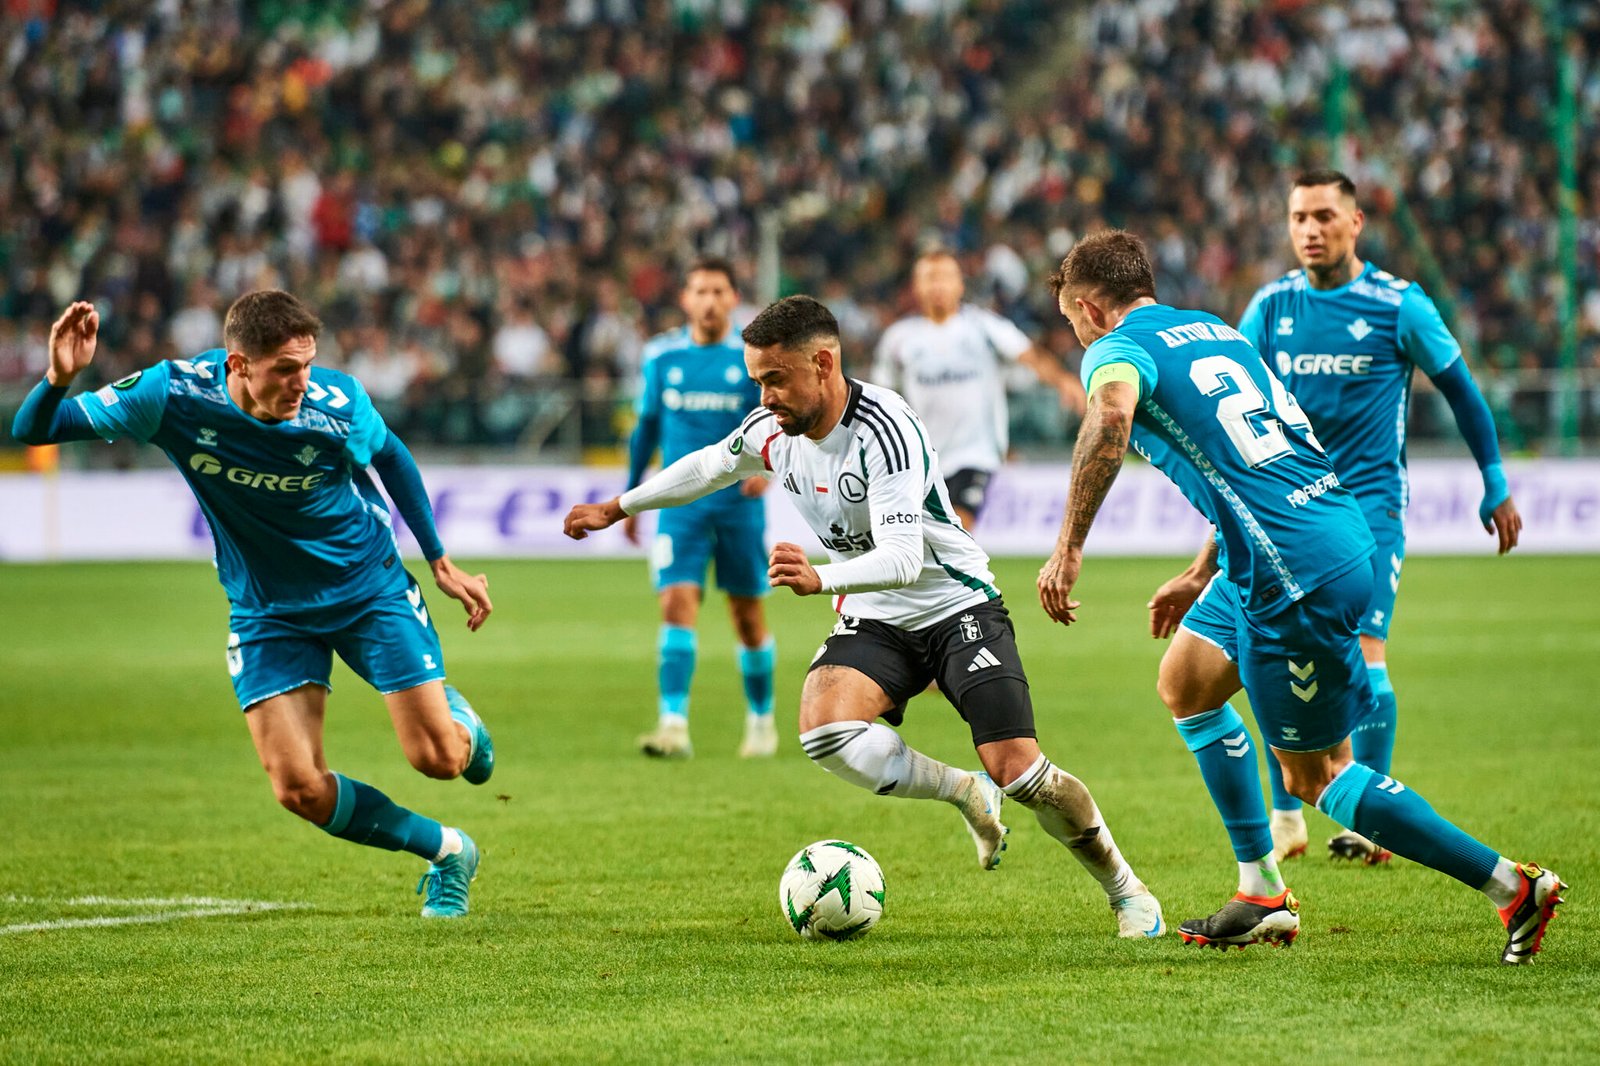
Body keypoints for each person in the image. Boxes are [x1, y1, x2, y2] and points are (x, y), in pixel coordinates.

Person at [1036, 230, 1564, 962]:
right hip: (1313, 538)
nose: (1075, 333)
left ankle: (1511, 887)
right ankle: (1260, 891)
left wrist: (1067, 547)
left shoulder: (1115, 349)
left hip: (1293, 575)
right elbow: (1258, 461)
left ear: (1090, 309)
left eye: (1070, 320)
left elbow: (1111, 418)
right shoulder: (1211, 329)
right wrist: (1202, 570)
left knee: (1314, 776)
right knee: (1185, 682)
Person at [566, 295, 1165, 939]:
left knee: (1019, 771)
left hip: (955, 604)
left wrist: (820, 577)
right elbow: (713, 463)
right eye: (758, 381)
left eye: (775, 379)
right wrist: (620, 507)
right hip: (877, 614)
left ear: (823, 363)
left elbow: (906, 559)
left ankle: (1127, 890)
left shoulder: (885, 427)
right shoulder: (775, 432)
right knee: (823, 730)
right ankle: (962, 791)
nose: (764, 397)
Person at [12, 293, 496, 919]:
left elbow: (392, 456)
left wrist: (438, 560)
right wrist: (59, 377)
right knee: (298, 788)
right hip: (267, 610)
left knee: (438, 759)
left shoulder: (337, 403)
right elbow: (35, 430)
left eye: (308, 364)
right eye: (285, 370)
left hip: (367, 589)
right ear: (238, 364)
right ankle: (449, 852)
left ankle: (464, 726)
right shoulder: (173, 395)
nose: (303, 382)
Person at [1215, 169, 1523, 864]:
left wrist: (1495, 482)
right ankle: (1288, 815)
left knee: (1366, 651)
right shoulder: (1269, 307)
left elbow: (1463, 394)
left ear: (1356, 223)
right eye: (1298, 218)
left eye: (1325, 216)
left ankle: (1363, 823)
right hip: (1288, 511)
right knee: (1273, 648)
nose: (1310, 230)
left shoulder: (1399, 306)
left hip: (1370, 508)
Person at [623, 259, 776, 759]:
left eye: (718, 291)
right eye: (699, 291)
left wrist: (769, 472)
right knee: (675, 603)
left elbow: (779, 421)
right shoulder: (662, 356)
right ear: (685, 299)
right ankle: (673, 725)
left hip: (738, 504)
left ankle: (761, 721)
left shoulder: (750, 358)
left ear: (734, 298)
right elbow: (646, 427)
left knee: (746, 614)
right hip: (680, 507)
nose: (708, 300)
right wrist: (630, 495)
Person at [871, 250, 1085, 529]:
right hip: (922, 457)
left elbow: (1029, 355)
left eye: (945, 277)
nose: (937, 285)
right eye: (929, 278)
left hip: (975, 453)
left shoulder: (983, 327)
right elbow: (882, 397)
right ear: (916, 286)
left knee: (957, 526)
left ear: (960, 284)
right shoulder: (898, 339)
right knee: (930, 539)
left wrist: (1063, 381)